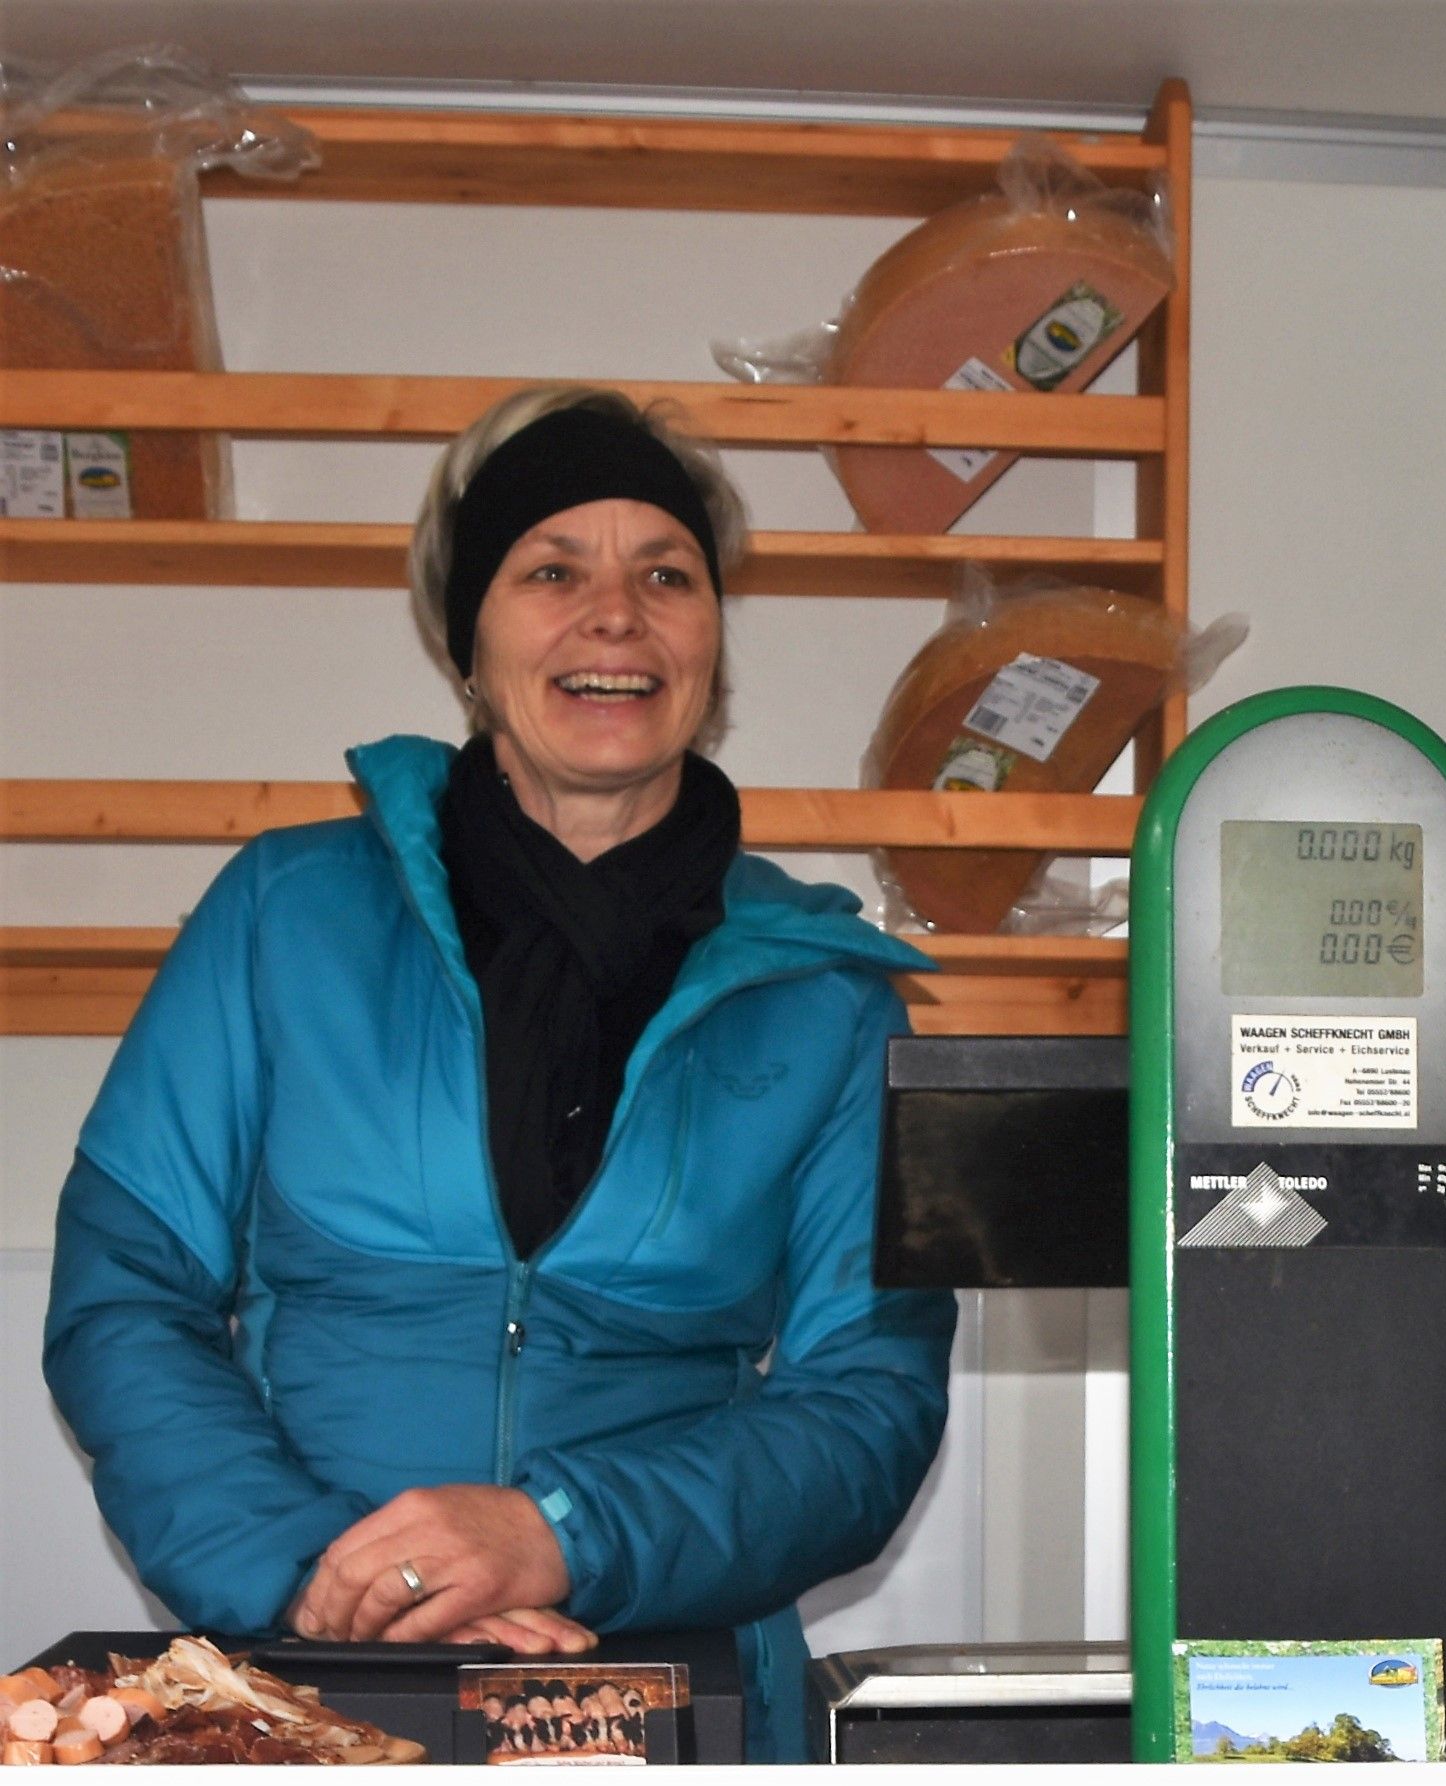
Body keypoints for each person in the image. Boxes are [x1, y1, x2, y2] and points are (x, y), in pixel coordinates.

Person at [43, 385, 956, 1762]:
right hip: (313, 1685)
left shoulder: (833, 999)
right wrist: (317, 1576)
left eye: (667, 574)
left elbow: (868, 1404)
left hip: (676, 1694)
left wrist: (560, 1534)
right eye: (552, 571)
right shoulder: (283, 915)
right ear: (467, 640)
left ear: (712, 642)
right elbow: (125, 1295)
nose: (617, 616)